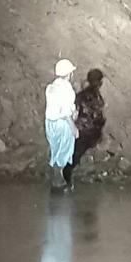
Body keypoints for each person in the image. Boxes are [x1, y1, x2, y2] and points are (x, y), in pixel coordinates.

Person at [62, 69, 106, 188]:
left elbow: (75, 111)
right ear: (99, 82)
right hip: (89, 131)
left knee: (76, 153)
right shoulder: (96, 96)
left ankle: (66, 176)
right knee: (75, 155)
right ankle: (65, 176)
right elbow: (97, 115)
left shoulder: (81, 95)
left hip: (81, 129)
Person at [44, 59, 78, 191]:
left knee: (55, 148)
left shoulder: (51, 87)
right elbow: (64, 111)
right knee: (64, 150)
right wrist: (73, 127)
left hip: (50, 122)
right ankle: (58, 180)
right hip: (62, 123)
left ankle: (56, 179)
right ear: (69, 74)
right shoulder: (66, 88)